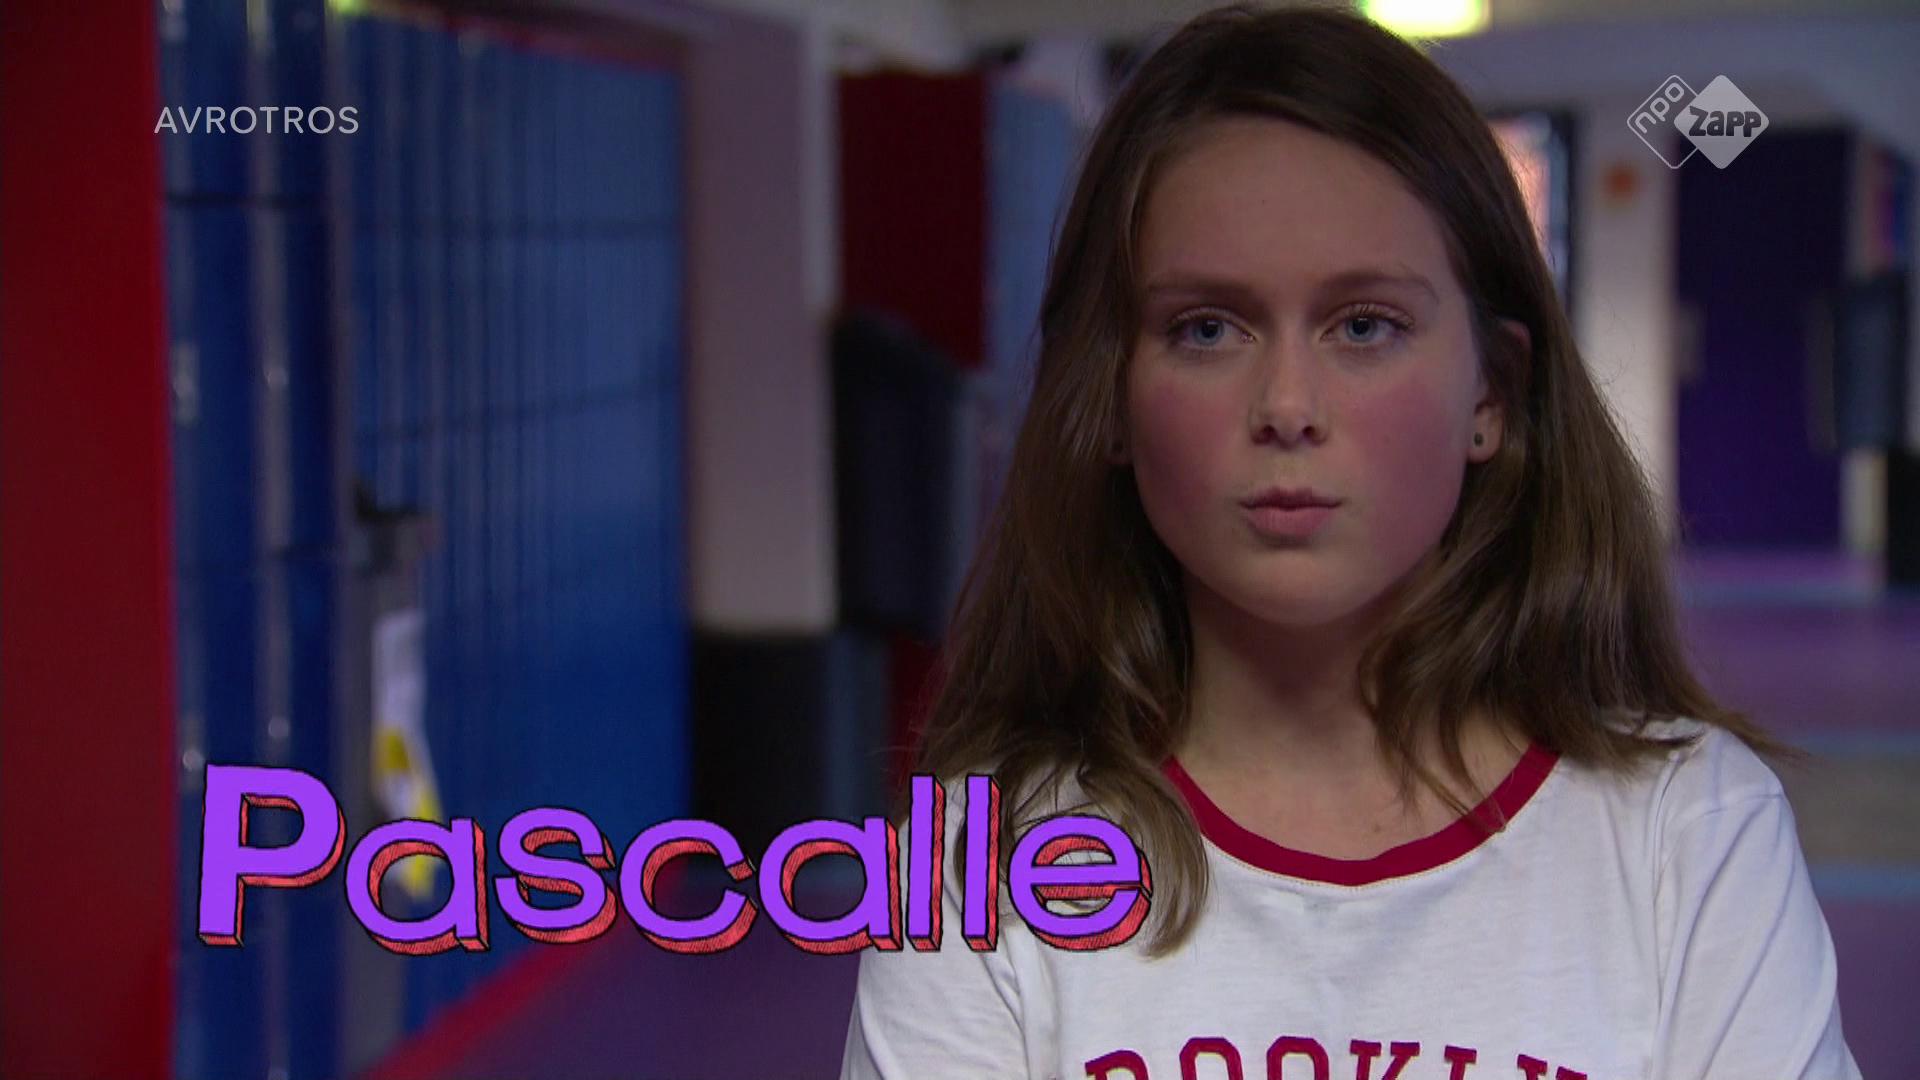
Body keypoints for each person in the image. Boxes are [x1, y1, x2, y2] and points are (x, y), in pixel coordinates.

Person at [838, 4, 1863, 1078]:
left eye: (1365, 326)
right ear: (1113, 402)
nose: (1287, 406)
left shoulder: (1690, 832)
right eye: (1207, 329)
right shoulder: (980, 863)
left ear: (1492, 392)